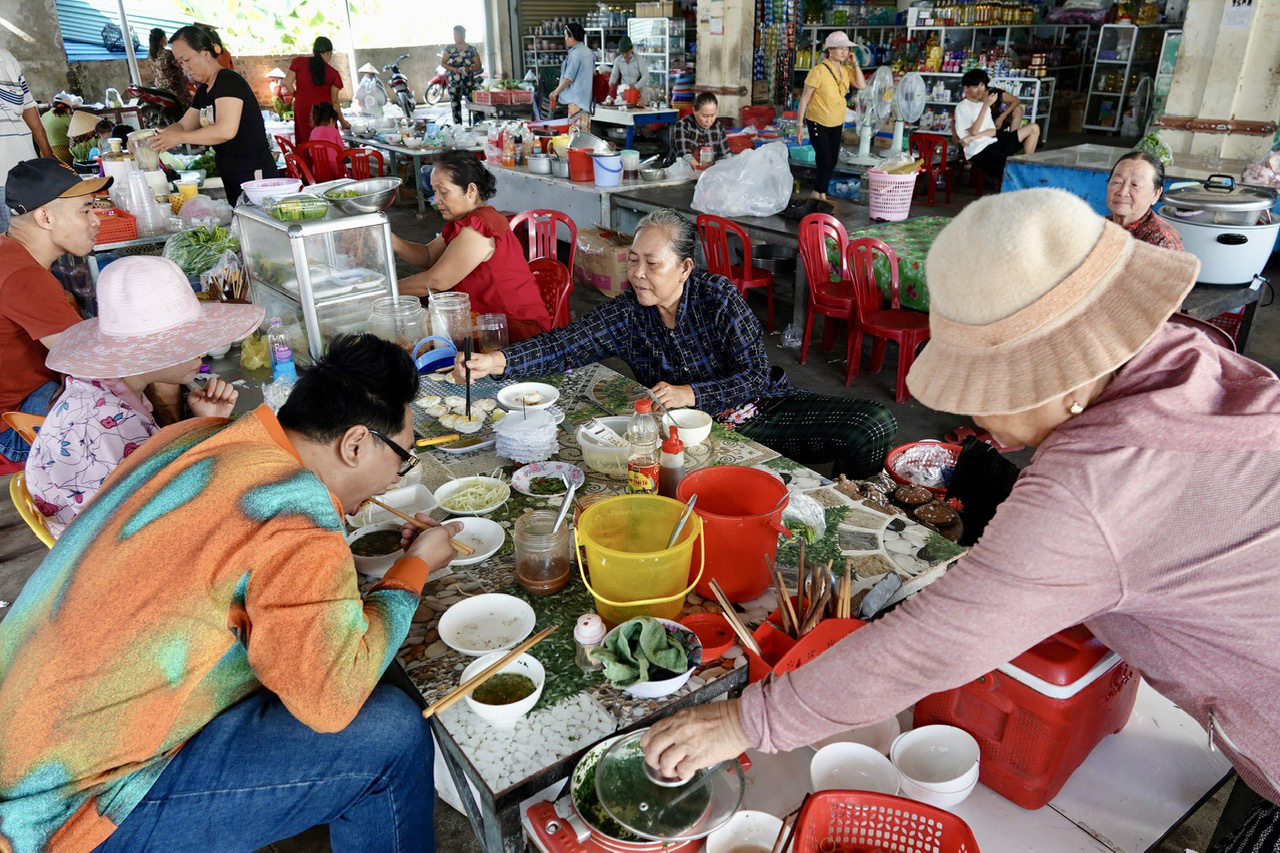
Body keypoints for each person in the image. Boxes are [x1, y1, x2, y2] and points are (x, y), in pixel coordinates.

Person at [638, 189, 1280, 851]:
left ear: (1061, 379)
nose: (977, 420)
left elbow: (930, 644)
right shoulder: (1182, 359)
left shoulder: (1095, 485)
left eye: (985, 392)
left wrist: (745, 722)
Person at [0, 332, 463, 851]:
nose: (393, 478)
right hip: (59, 810)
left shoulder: (194, 436)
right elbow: (331, 700)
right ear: (355, 443)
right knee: (391, 736)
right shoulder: (293, 512)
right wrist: (413, 568)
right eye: (401, 458)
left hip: (24, 735)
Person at [457, 208, 896, 478]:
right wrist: (494, 361)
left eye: (652, 263)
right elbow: (564, 345)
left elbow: (756, 377)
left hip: (756, 412)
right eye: (632, 261)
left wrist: (692, 393)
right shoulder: (628, 312)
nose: (638, 273)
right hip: (678, 436)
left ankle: (845, 501)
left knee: (873, 424)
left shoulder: (717, 297)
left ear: (684, 268)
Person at [26, 256, 261, 538]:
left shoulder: (105, 387)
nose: (202, 350)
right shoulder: (111, 424)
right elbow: (156, 520)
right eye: (189, 340)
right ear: (147, 351)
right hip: (104, 548)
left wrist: (205, 422)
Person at [0, 159, 110, 462]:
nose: (95, 220)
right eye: (85, 210)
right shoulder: (25, 276)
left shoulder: (9, 251)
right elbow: (93, 365)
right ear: (45, 217)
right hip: (11, 431)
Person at [392, 149, 550, 340]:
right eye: (434, 192)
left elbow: (437, 281)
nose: (437, 200)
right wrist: (391, 240)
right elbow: (427, 255)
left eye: (443, 192)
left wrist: (387, 289)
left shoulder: (481, 226)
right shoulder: (466, 221)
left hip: (513, 328)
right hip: (486, 321)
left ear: (471, 190)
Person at [151, 25, 278, 205]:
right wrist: (154, 140)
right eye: (180, 62)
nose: (185, 68)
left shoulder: (228, 81)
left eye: (187, 59)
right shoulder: (204, 90)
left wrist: (179, 137)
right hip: (231, 171)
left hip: (254, 173)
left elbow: (226, 130)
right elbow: (184, 124)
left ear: (205, 53)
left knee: (259, 224)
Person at [796, 32, 866, 200]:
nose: (844, 51)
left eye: (846, 48)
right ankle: (817, 193)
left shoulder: (845, 70)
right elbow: (804, 98)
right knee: (825, 158)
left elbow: (862, 85)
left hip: (836, 122)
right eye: (840, 48)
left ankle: (820, 193)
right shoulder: (818, 71)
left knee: (832, 160)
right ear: (830, 50)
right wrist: (799, 125)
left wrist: (855, 64)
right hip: (817, 121)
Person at [0, 48, 55, 232]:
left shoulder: (7, 58)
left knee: (26, 243)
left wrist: (48, 155)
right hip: (12, 176)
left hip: (22, 173)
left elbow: (29, 109)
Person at [953, 68, 1040, 181]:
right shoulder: (962, 107)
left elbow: (993, 131)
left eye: (982, 85)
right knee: (1013, 171)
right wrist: (985, 107)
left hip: (993, 142)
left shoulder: (983, 105)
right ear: (966, 88)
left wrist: (972, 137)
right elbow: (974, 130)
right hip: (979, 150)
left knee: (1034, 128)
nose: (980, 90)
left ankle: (1029, 165)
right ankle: (1025, 182)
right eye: (975, 87)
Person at [1106, 150, 1183, 251]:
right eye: (1117, 182)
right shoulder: (1099, 226)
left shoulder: (1162, 242)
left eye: (1135, 185)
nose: (1123, 192)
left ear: (1155, 194)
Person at [286, 36, 349, 144]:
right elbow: (335, 102)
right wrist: (343, 121)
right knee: (326, 142)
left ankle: (306, 161)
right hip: (324, 112)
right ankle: (325, 160)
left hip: (302, 107)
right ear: (329, 53)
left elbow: (286, 83)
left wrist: (298, 95)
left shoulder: (298, 62)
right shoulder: (333, 73)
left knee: (305, 140)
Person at [549, 23, 595, 133]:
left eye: (566, 36)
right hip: (585, 100)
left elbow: (569, 78)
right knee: (584, 134)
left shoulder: (575, 54)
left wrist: (556, 92)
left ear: (572, 37)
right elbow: (593, 72)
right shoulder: (588, 52)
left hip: (576, 101)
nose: (565, 39)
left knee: (575, 136)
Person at [668, 92, 729, 166]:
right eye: (704, 116)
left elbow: (725, 155)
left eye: (712, 115)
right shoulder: (683, 125)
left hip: (708, 172)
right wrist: (699, 169)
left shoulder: (718, 127)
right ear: (694, 111)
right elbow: (685, 154)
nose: (709, 121)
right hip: (681, 170)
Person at [440, 25, 482, 127]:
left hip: (469, 83)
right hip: (454, 83)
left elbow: (478, 66)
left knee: (475, 105)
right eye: (454, 35)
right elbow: (443, 63)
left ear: (463, 35)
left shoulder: (471, 49)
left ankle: (478, 127)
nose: (455, 37)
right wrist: (453, 69)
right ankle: (457, 128)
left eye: (457, 34)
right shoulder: (449, 49)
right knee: (455, 106)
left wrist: (469, 69)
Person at [147, 27, 193, 112]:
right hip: (174, 85)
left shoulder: (150, 54)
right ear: (161, 39)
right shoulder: (167, 54)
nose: (166, 39)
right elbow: (180, 65)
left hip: (160, 85)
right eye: (165, 37)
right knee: (188, 104)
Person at [308, 102, 345, 182]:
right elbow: (341, 150)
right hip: (335, 169)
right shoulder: (334, 131)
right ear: (331, 120)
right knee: (346, 170)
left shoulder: (313, 132)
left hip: (318, 169)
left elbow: (310, 152)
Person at [39, 95, 76, 164]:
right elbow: (76, 131)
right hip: (59, 152)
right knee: (78, 158)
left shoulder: (44, 115)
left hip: (43, 153)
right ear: (64, 107)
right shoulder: (65, 115)